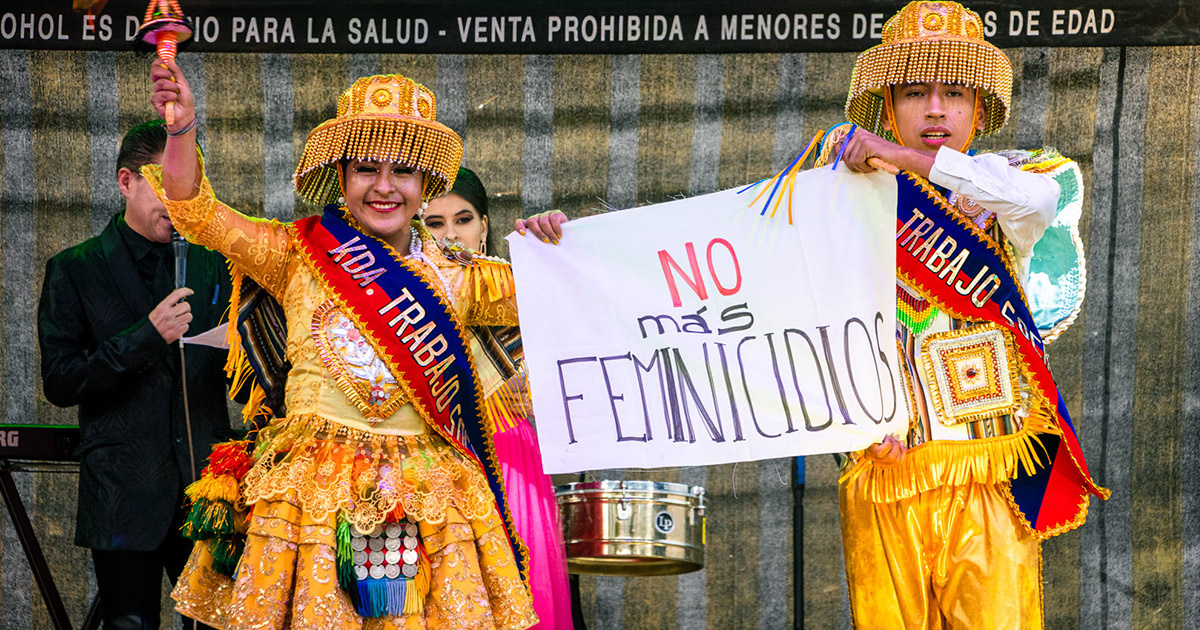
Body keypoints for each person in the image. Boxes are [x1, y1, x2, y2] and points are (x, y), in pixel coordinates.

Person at [149, 59, 549, 629]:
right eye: (367, 169)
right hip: (312, 492)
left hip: (425, 499)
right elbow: (198, 214)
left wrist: (551, 243)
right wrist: (181, 129)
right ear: (341, 177)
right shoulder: (295, 253)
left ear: (426, 183)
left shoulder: (464, 276)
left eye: (403, 171)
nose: (384, 187)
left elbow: (566, 292)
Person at [821, 2, 1109, 628]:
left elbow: (1031, 197)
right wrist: (574, 253)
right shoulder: (836, 200)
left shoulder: (1016, 181)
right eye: (916, 92)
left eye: (954, 92)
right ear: (886, 106)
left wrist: (902, 162)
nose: (935, 109)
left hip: (990, 475)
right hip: (883, 471)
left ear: (980, 108)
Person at [37, 120, 233, 630]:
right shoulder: (74, 269)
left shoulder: (217, 265)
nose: (181, 202)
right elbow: (60, 381)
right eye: (169, 187)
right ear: (127, 182)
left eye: (192, 188)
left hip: (207, 491)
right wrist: (144, 337)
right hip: (123, 495)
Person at [426, 168, 573, 629]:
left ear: (485, 228)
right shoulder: (390, 298)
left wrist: (554, 249)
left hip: (509, 461)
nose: (451, 234)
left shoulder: (518, 284)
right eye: (433, 223)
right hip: (428, 465)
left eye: (463, 219)